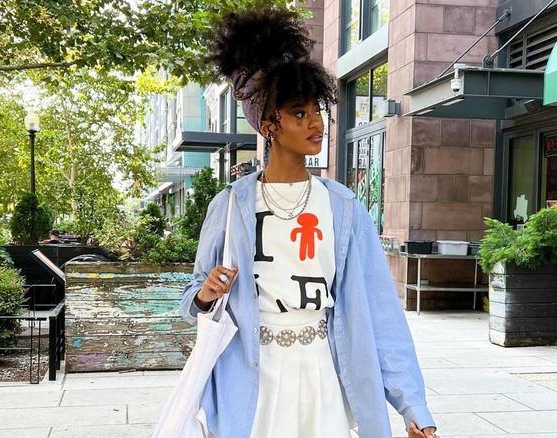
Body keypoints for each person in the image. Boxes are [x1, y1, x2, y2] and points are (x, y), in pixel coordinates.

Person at [179, 7, 437, 438]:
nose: (316, 122)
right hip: (251, 379)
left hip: (321, 375)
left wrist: (412, 405)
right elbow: (194, 296)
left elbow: (380, 311)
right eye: (299, 113)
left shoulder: (343, 207)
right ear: (268, 125)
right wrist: (206, 294)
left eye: (317, 110)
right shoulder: (229, 206)